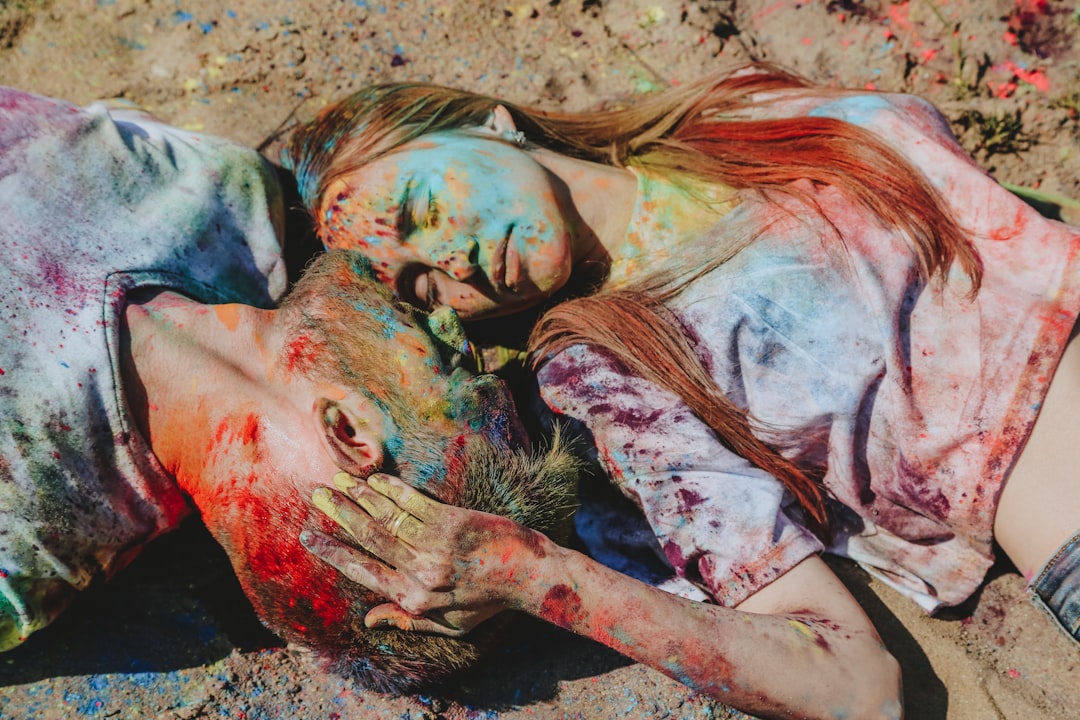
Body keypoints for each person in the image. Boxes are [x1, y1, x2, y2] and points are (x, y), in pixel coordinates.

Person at [284, 63, 1080, 718]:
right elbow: (857, 689)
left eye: (425, 208)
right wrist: (536, 576)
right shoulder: (601, 375)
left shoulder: (727, 111)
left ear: (490, 121)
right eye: (422, 289)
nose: (453, 266)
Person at [0, 87, 582, 693]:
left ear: (348, 432)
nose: (448, 324)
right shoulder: (233, 202)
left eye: (455, 371)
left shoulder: (25, 548)